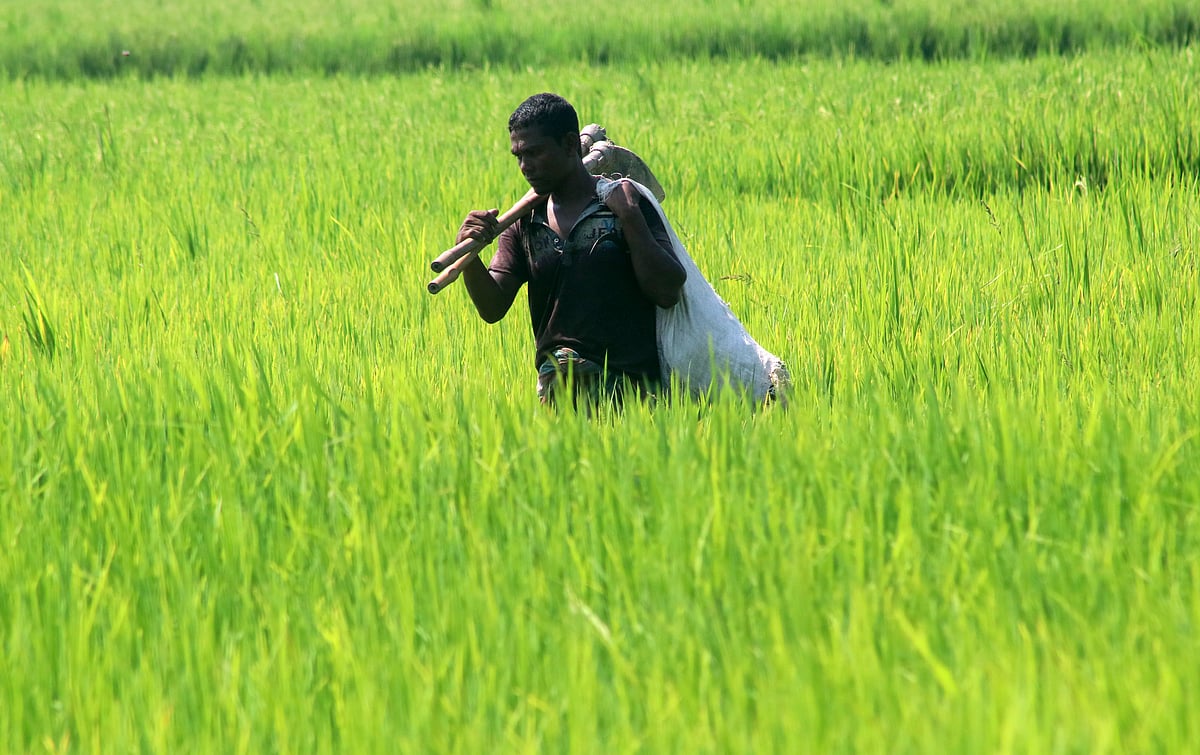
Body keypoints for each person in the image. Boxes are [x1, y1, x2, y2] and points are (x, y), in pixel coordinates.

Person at [456, 93, 687, 409]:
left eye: (535, 153)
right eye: (518, 156)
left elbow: (667, 290)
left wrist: (631, 218)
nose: (525, 166)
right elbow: (493, 306)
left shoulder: (622, 205)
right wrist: (468, 256)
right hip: (559, 394)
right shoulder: (526, 222)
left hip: (631, 392)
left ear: (568, 145)